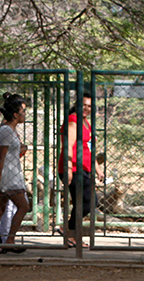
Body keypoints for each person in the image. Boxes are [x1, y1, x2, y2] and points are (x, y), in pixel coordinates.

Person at [0, 92, 31, 254]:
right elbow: (1, 157)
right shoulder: (6, 131)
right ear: (16, 114)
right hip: (8, 177)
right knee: (23, 206)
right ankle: (9, 239)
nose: (25, 115)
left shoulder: (10, 131)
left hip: (9, 174)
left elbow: (9, 154)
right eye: (23, 112)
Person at [57, 93, 103, 248]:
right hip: (74, 168)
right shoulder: (73, 121)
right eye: (84, 104)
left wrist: (97, 169)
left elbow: (89, 149)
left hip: (84, 168)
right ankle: (68, 230)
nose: (86, 108)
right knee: (90, 201)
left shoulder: (86, 124)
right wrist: (68, 169)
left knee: (82, 203)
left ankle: (72, 236)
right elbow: (68, 146)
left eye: (89, 106)